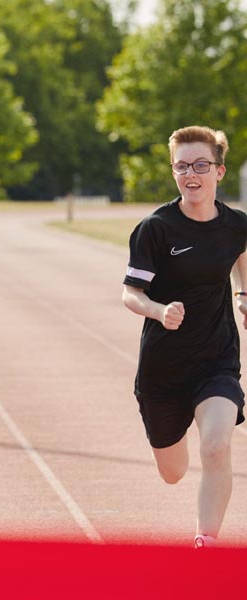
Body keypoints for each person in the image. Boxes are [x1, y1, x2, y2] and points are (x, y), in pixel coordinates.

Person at [122, 125, 246, 549]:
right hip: (163, 370)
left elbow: (240, 256)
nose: (191, 174)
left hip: (217, 361)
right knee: (173, 471)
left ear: (219, 171)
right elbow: (131, 292)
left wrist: (242, 293)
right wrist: (159, 310)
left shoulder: (236, 226)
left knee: (216, 446)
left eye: (200, 165)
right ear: (173, 172)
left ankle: (206, 543)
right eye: (182, 166)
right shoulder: (156, 228)